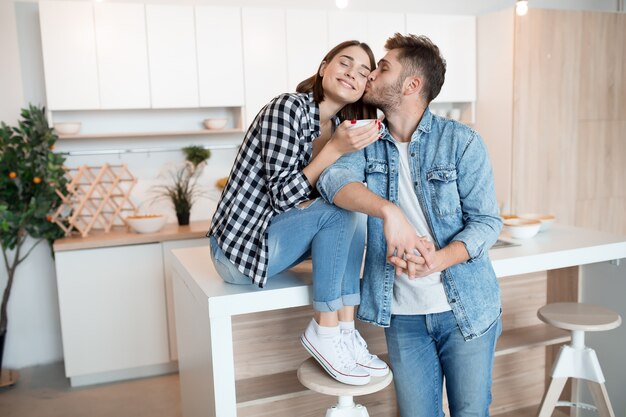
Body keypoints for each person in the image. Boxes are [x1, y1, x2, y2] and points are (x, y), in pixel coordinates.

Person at [317, 33, 503, 416]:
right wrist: (390, 211)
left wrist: (439, 260)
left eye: (383, 68)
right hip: (402, 314)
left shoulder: (461, 141)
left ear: (412, 85)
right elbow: (333, 182)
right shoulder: (366, 140)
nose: (369, 76)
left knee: (471, 411)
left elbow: (487, 222)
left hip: (466, 307)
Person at [208, 40, 389, 386]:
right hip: (239, 251)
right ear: (324, 67)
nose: (352, 74)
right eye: (344, 64)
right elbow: (282, 197)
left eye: (363, 72)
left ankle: (345, 333)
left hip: (272, 241)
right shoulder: (287, 109)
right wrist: (334, 149)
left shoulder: (338, 124)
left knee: (355, 212)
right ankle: (325, 329)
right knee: (339, 210)